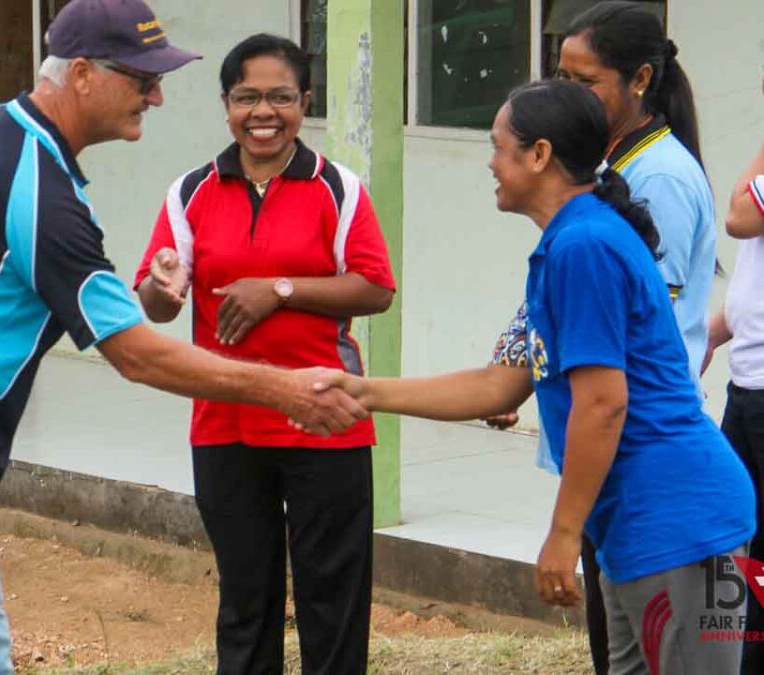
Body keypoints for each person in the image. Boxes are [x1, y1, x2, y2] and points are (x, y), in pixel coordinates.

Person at [0, 4, 368, 674]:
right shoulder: (46, 194)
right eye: (143, 79)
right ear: (85, 74)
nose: (155, 95)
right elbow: (134, 352)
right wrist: (283, 387)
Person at [323, 79, 755, 675]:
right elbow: (498, 386)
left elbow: (604, 404)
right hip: (644, 524)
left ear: (540, 155)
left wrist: (562, 532)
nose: (490, 164)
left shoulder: (585, 246)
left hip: (682, 525)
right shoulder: (570, 241)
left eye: (499, 147)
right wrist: (364, 392)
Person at [134, 34, 395, 675]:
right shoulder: (189, 192)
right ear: (226, 105)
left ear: (305, 102)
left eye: (281, 97)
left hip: (326, 418)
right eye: (247, 97)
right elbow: (157, 300)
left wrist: (279, 290)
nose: (264, 112)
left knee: (331, 598)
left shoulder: (340, 188)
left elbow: (375, 288)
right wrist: (162, 285)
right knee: (245, 598)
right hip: (225, 422)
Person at [483, 3, 717, 670]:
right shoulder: (600, 188)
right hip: (624, 469)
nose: (565, 91)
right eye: (560, 74)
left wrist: (562, 526)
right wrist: (514, 368)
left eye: (585, 81)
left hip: (652, 467)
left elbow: (627, 352)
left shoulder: (655, 181)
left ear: (640, 79)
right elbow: (554, 310)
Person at [704, 139, 764, 674]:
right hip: (747, 388)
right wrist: (713, 334)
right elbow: (754, 281)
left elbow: (739, 216)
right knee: (739, 532)